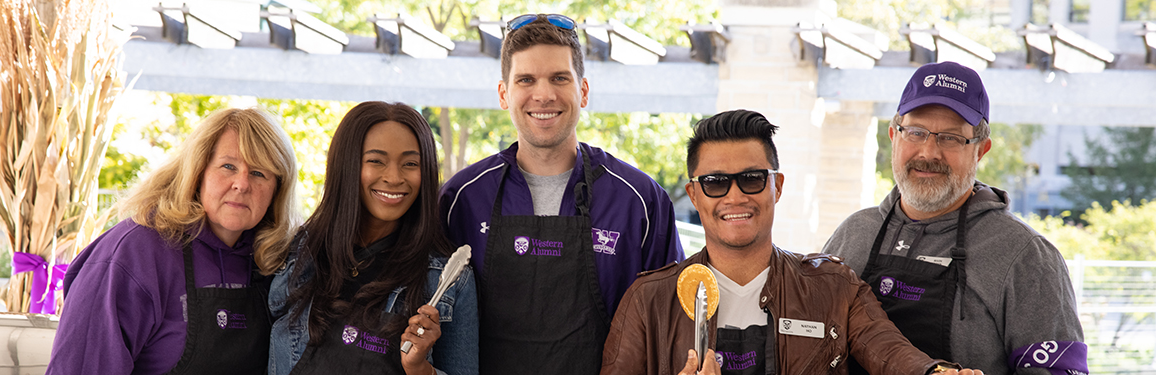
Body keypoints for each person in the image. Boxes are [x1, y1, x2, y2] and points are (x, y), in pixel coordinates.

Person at [601, 110, 985, 375]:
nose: (735, 197)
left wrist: (933, 371)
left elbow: (889, 352)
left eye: (751, 178)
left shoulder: (834, 289)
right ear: (695, 195)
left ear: (777, 187)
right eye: (716, 183)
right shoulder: (649, 301)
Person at [438, 13, 684, 374]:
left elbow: (670, 329)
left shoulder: (640, 201)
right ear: (504, 94)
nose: (544, 94)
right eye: (526, 79)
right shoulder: (460, 199)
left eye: (559, 78)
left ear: (582, 91)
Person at [822, 62, 1086, 374]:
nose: (929, 152)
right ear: (894, 137)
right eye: (916, 133)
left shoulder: (1026, 256)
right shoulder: (854, 233)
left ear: (981, 150)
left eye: (950, 138)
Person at [48, 108, 300, 374]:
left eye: (259, 173)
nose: (242, 183)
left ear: (277, 190)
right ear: (197, 171)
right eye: (229, 166)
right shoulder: (132, 255)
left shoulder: (276, 265)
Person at [269, 101, 477, 375]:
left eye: (410, 163)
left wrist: (419, 368)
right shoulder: (297, 250)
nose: (394, 177)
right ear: (347, 166)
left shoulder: (448, 281)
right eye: (376, 161)